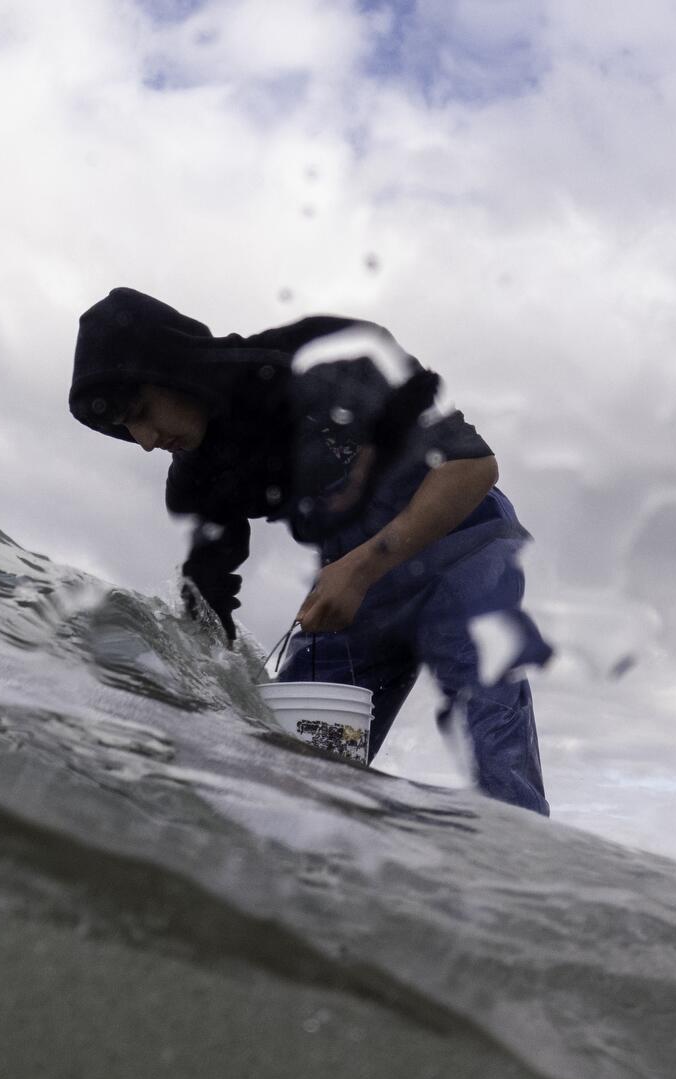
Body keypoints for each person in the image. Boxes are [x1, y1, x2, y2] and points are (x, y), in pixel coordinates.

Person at [68, 286, 552, 815]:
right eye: (124, 427)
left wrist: (363, 567)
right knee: (288, 770)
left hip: (462, 545)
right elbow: (206, 612)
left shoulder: (319, 366)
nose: (143, 440)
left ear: (173, 369)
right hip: (359, 599)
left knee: (492, 731)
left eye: (141, 411)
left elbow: (473, 468)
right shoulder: (198, 479)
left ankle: (529, 879)